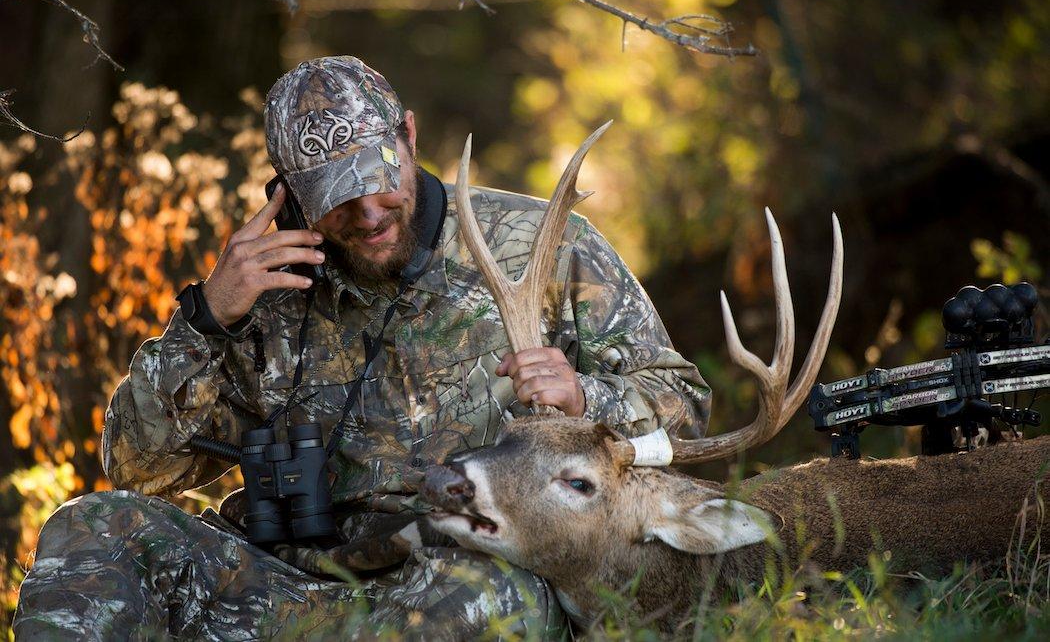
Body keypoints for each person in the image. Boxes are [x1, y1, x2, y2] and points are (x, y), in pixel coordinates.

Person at [14, 56, 710, 640]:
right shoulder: (258, 286)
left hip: (451, 581)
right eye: (339, 198)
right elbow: (138, 468)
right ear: (288, 194)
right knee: (93, 526)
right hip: (279, 588)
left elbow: (687, 406)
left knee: (491, 596)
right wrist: (206, 319)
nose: (371, 213)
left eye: (381, 179)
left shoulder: (544, 244)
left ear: (409, 136)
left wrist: (588, 397)